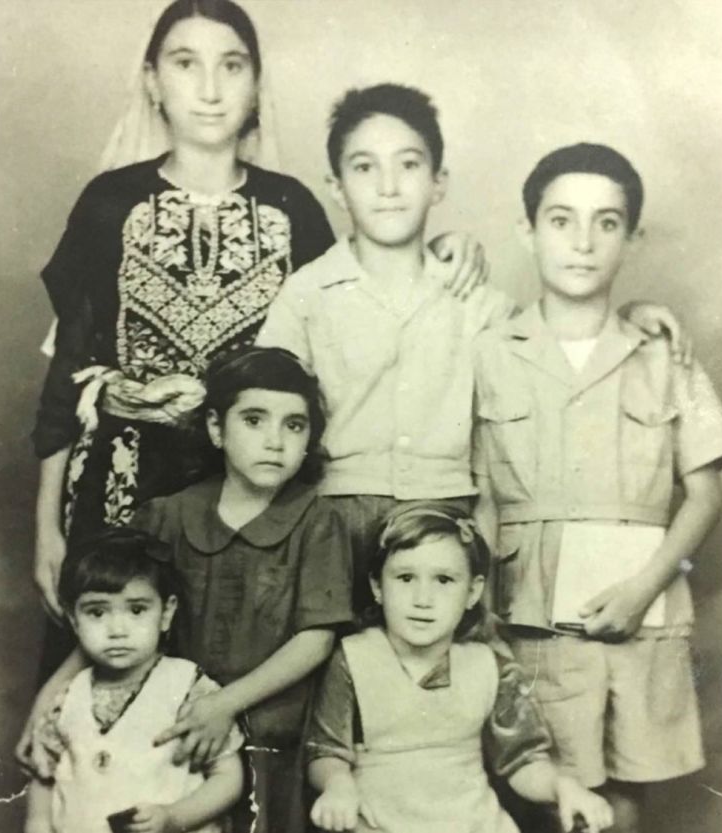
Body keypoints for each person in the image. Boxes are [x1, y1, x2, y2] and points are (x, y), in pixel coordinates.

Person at [30, 0, 487, 665]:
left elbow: (362, 280)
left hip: (257, 499)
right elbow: (63, 379)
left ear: (256, 85)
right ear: (154, 80)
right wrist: (45, 528)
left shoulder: (292, 206)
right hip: (120, 490)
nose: (210, 89)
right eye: (186, 64)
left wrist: (450, 245)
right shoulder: (109, 202)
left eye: (232, 65)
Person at [255, 83, 689, 615]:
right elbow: (262, 402)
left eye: (409, 165)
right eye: (365, 168)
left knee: (443, 684)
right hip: (331, 516)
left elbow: (564, 343)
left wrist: (630, 316)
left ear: (439, 183)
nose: (389, 187)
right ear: (337, 187)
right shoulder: (306, 293)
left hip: (448, 523)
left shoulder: (482, 305)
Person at [472, 143, 722, 833]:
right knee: (536, 781)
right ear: (527, 231)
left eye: (606, 223)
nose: (583, 243)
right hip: (525, 609)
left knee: (624, 797)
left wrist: (646, 584)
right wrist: (479, 609)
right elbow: (478, 493)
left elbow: (706, 493)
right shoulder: (490, 351)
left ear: (632, 237)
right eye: (561, 220)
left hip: (638, 606)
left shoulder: (664, 356)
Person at [27, 346, 354, 833]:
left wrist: (224, 705)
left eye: (294, 425)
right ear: (217, 429)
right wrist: (44, 705)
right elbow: (114, 621)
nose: (275, 441)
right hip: (172, 740)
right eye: (254, 420)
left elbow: (316, 639)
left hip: (270, 740)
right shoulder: (167, 516)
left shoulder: (318, 520)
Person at [304, 505, 614, 833]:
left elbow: (522, 761)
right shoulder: (355, 657)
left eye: (444, 580)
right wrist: (337, 784)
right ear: (378, 587)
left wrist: (562, 786)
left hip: (473, 823)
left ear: (472, 591)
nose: (423, 598)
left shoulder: (490, 665)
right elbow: (325, 751)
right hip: (378, 823)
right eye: (406, 578)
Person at [24, 528, 244, 833]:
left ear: (166, 614)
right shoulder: (67, 696)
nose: (117, 629)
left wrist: (174, 817)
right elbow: (43, 777)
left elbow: (228, 776)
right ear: (74, 621)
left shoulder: (188, 688)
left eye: (137, 610)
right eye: (97, 613)